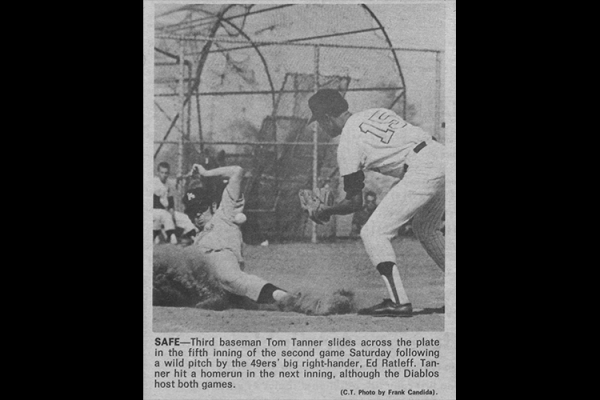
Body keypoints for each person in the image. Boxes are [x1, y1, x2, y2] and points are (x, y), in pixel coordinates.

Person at [307, 89, 445, 317]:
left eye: (320, 121)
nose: (321, 127)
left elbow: (354, 202)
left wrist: (327, 210)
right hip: (443, 156)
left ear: (327, 117)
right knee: (426, 228)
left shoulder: (348, 143)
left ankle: (398, 301)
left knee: (373, 233)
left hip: (423, 169)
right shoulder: (376, 112)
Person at [183, 163, 291, 307]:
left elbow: (237, 172)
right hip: (210, 280)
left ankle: (284, 297)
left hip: (224, 261)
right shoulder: (196, 237)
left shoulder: (224, 213)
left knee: (231, 278)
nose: (197, 214)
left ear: (213, 206)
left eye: (201, 208)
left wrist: (206, 174)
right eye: (192, 211)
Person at [153, 162, 197, 244]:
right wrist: (169, 212)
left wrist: (172, 210)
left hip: (165, 211)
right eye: (162, 172)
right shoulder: (154, 183)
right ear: (158, 172)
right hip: (155, 211)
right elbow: (155, 202)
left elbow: (170, 200)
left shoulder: (168, 183)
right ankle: (171, 236)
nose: (164, 175)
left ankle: (192, 236)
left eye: (166, 173)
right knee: (166, 215)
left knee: (183, 217)